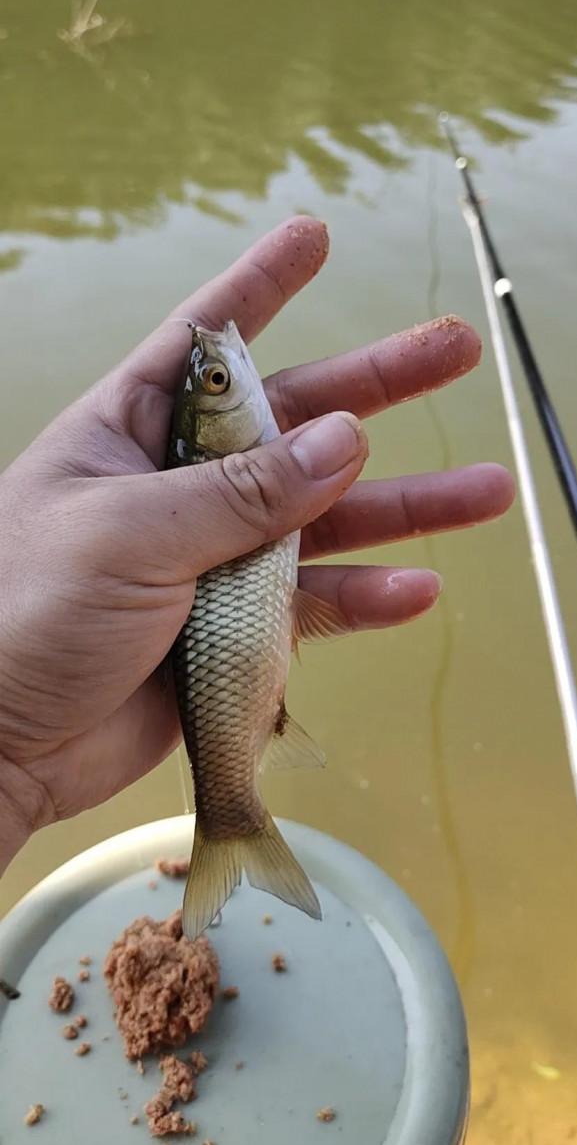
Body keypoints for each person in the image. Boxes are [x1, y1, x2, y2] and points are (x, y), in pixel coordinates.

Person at [0, 218, 514, 878]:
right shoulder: (234, 479)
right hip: (238, 631)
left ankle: (230, 822)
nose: (227, 369)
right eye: (218, 383)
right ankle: (231, 817)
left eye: (213, 378)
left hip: (235, 635)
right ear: (214, 434)